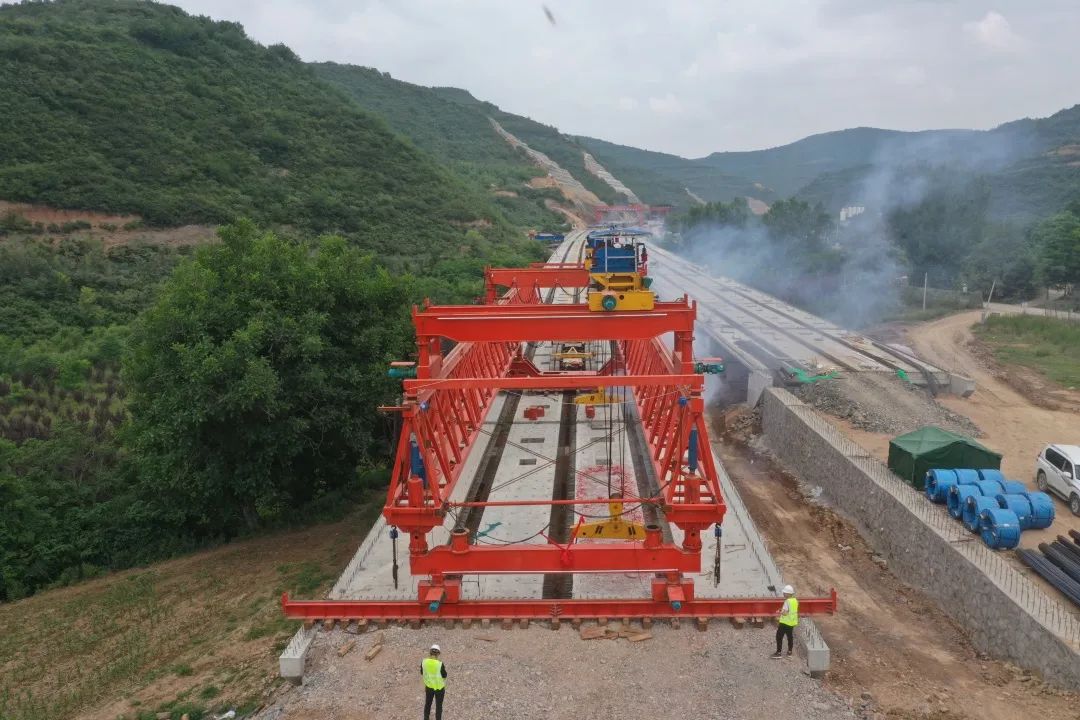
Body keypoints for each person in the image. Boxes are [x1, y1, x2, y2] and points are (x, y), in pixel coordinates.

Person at [771, 584, 798, 658]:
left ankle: (778, 653)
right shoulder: (795, 601)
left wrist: (779, 611)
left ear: (788, 593)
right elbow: (791, 611)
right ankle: (790, 652)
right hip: (791, 622)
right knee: (790, 637)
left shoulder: (787, 601)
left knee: (779, 636)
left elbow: (785, 613)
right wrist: (782, 610)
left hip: (785, 623)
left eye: (784, 593)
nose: (783, 594)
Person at [422, 644, 447, 720]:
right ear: (438, 654)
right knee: (438, 707)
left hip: (429, 687)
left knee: (428, 704)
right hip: (439, 689)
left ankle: (426, 718)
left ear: (430, 652)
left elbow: (422, 672)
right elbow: (444, 675)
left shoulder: (424, 662)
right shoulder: (439, 664)